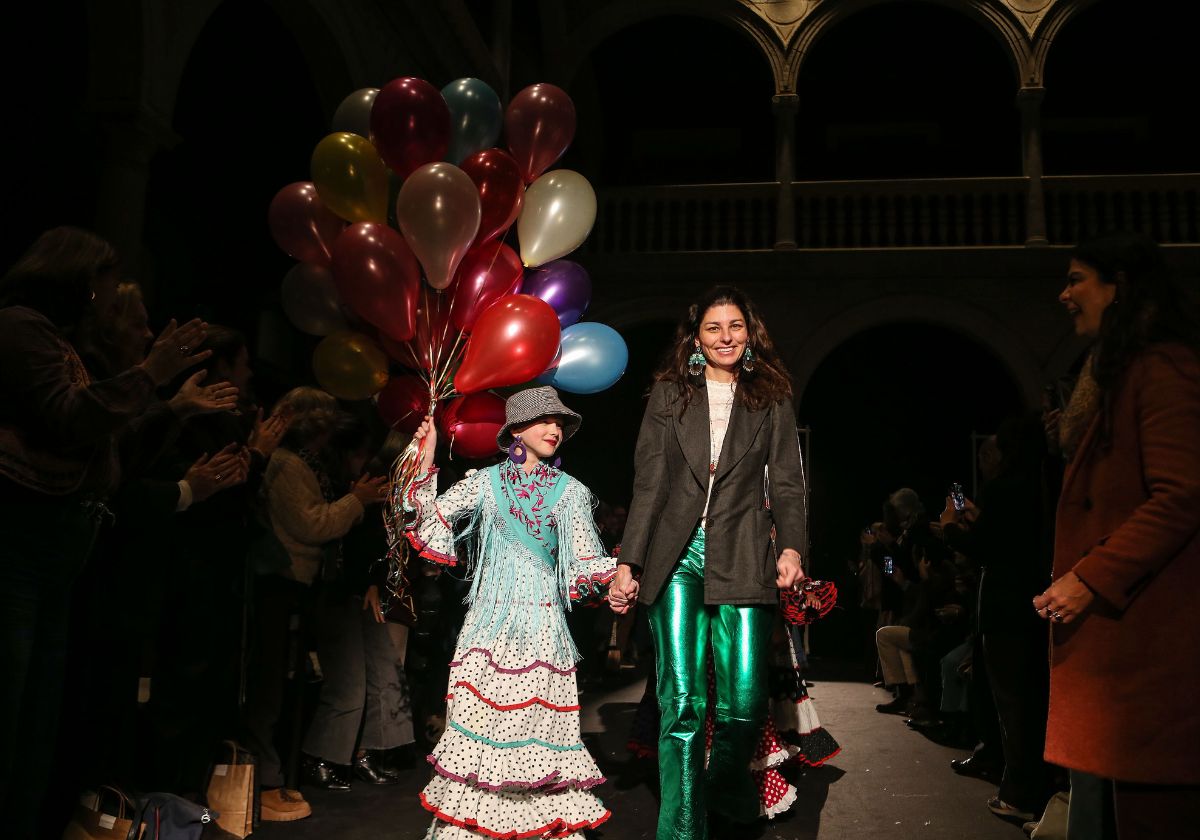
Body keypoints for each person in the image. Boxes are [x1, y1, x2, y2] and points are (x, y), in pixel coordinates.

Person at [0, 227, 209, 838]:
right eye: (99, 288)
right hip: (20, 543)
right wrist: (152, 375)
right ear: (71, 276)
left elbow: (107, 459)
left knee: (36, 728)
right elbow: (70, 419)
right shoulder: (19, 327)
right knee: (11, 720)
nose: (100, 299)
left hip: (58, 554)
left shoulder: (56, 341)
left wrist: (167, 405)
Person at [609, 285, 807, 839]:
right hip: (677, 558)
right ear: (696, 338)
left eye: (736, 327)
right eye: (714, 328)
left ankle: (723, 798)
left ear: (750, 333)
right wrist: (629, 563)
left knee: (744, 705)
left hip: (745, 553)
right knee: (682, 703)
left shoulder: (771, 396)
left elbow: (788, 484)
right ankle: (681, 830)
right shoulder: (671, 396)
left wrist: (791, 548)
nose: (726, 337)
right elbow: (648, 485)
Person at [1033, 232, 1200, 839]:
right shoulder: (1128, 371)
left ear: (1119, 286)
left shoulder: (1162, 369)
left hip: (1155, 642)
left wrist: (1090, 577)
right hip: (1135, 644)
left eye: (1078, 278)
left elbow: (1182, 493)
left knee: (1158, 812)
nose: (1065, 293)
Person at [405, 386, 618, 839]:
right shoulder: (483, 482)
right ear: (516, 430)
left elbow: (583, 563)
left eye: (560, 423)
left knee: (535, 739)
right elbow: (432, 520)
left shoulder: (571, 492)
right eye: (545, 420)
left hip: (543, 632)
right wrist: (423, 465)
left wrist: (625, 569)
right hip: (489, 631)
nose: (555, 429)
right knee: (482, 737)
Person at [242, 386, 388, 821]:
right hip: (278, 581)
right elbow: (311, 524)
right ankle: (259, 780)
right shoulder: (288, 465)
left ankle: (266, 775)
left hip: (294, 584)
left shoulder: (303, 464)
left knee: (275, 685)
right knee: (266, 687)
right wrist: (356, 501)